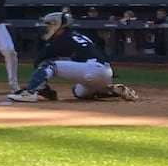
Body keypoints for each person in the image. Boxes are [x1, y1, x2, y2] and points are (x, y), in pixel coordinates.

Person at [8, 11, 139, 102]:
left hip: (92, 70)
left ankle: (29, 93)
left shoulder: (61, 37)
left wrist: (42, 87)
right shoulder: (78, 36)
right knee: (78, 93)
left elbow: (39, 60)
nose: (46, 28)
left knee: (48, 64)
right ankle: (110, 90)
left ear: (58, 25)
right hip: (105, 72)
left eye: (49, 24)